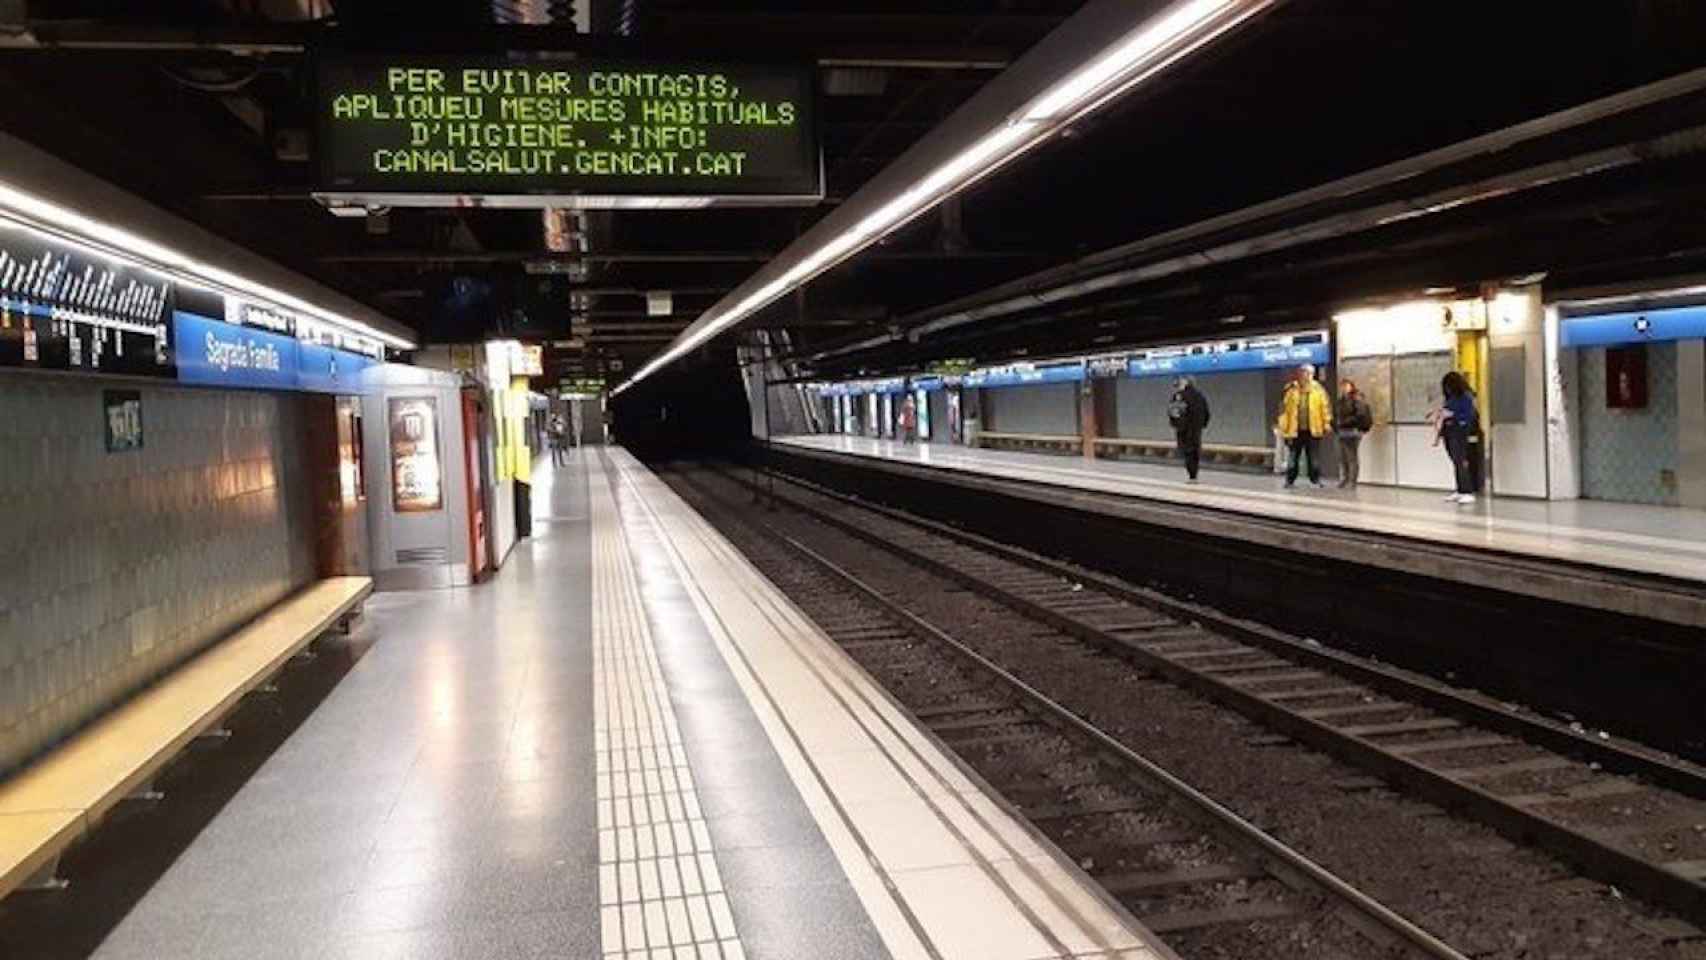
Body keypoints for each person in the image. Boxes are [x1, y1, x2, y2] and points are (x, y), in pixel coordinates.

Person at [1276, 364, 1331, 488]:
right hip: (1294, 430)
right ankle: (1289, 481)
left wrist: (1326, 424)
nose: (1303, 375)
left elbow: (1325, 408)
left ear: (1312, 375)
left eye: (1306, 373)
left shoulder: (1319, 390)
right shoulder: (1291, 390)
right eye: (1302, 372)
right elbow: (1283, 410)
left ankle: (1315, 480)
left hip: (1313, 429)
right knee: (1293, 457)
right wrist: (1283, 426)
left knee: (1313, 457)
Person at [1435, 371, 1483, 504]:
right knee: (1455, 461)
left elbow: (1468, 416)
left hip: (1460, 433)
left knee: (1461, 461)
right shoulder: (1450, 398)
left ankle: (1468, 490)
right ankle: (1460, 489)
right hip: (1450, 432)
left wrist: (1453, 415)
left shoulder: (1465, 397)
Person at [1166, 375, 1211, 482]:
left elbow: (1174, 412)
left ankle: (1191, 474)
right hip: (1196, 429)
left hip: (1183, 429)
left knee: (1187, 451)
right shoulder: (1200, 396)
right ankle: (1194, 475)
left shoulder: (1179, 396)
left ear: (1185, 383)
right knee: (1195, 450)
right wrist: (1202, 424)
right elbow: (1207, 413)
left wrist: (1175, 424)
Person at [1334, 379, 1374, 488]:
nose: (1343, 388)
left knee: (1352, 457)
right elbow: (1336, 414)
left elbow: (1360, 415)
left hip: (1353, 431)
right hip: (1341, 431)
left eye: (1346, 386)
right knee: (1342, 457)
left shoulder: (1357, 399)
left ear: (1351, 386)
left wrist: (1345, 421)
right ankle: (1345, 478)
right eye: (1342, 386)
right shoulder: (1340, 400)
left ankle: (1352, 481)